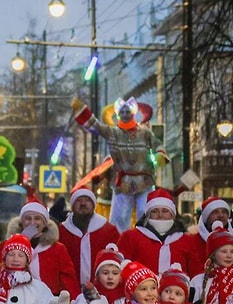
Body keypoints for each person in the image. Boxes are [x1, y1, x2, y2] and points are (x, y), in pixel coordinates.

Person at [71, 96, 169, 232]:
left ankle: (148, 238)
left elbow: (158, 144)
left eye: (127, 111)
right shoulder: (113, 133)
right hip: (123, 182)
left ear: (133, 113)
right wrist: (83, 111)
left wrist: (159, 155)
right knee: (120, 217)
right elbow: (96, 126)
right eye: (122, 112)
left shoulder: (145, 133)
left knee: (145, 212)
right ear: (118, 115)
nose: (124, 114)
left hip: (145, 180)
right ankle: (118, 243)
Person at [117, 188, 203, 277]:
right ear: (148, 215)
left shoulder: (187, 241)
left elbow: (197, 276)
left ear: (172, 214)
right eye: (155, 211)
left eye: (165, 211)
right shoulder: (130, 237)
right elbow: (118, 270)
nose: (160, 215)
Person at [58, 187, 120, 285]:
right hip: (69, 291)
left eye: (87, 200)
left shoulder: (108, 230)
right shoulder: (62, 231)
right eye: (79, 200)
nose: (83, 203)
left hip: (101, 291)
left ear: (93, 205)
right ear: (72, 206)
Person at [193, 197, 233, 262]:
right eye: (215, 212)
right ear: (206, 217)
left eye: (224, 212)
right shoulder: (192, 243)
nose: (221, 215)